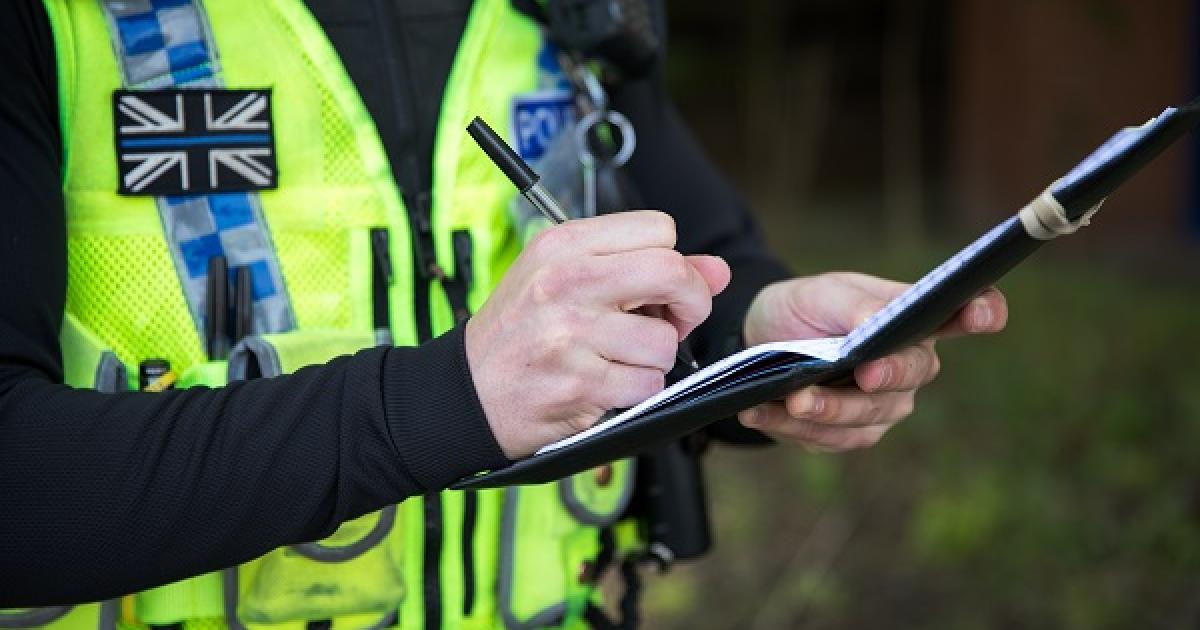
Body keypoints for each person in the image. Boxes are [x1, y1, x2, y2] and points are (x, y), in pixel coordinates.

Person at [0, 0, 1007, 627]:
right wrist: (453, 398)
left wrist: (764, 335)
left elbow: (704, 272)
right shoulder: (55, 22)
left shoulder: (578, 15)